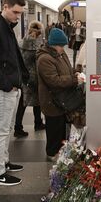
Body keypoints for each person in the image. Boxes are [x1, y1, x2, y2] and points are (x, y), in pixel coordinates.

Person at [0, 0, 29, 186]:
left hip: (12, 88)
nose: (17, 17)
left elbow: (12, 58)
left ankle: (4, 162)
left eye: (20, 13)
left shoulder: (6, 27)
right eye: (16, 12)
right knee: (0, 131)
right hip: (4, 90)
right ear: (5, 6)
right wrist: (7, 85)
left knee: (7, 129)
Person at [37, 28, 82, 158]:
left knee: (61, 129)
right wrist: (74, 80)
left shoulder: (60, 54)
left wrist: (75, 73)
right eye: (60, 46)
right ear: (52, 44)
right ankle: (51, 154)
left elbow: (67, 70)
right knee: (54, 130)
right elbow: (54, 81)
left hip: (62, 99)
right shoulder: (44, 59)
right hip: (52, 101)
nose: (63, 48)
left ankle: (60, 153)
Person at [14, 21, 46, 138]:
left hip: (24, 76)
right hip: (35, 77)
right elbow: (40, 63)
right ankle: (36, 123)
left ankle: (19, 127)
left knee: (23, 103)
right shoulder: (38, 45)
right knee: (37, 101)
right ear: (39, 32)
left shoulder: (22, 41)